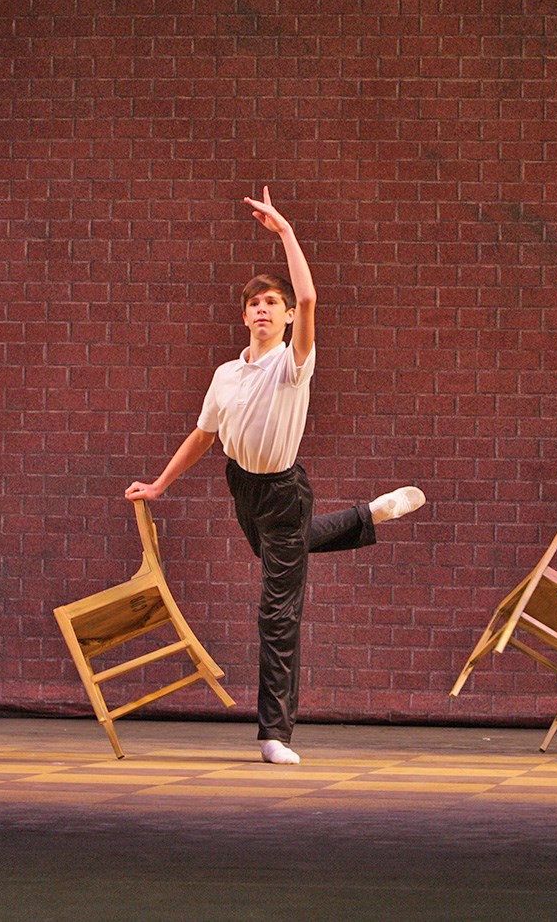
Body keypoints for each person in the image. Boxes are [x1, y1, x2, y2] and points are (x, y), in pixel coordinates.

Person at [125, 187, 427, 766]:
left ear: (285, 317)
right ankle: (371, 514)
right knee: (289, 551)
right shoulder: (225, 374)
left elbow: (310, 298)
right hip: (243, 489)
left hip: (286, 492)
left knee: (276, 611)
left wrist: (285, 232)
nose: (263, 309)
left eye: (273, 303)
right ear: (244, 316)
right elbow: (203, 436)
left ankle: (274, 734)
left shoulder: (293, 365)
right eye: (254, 303)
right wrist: (161, 484)